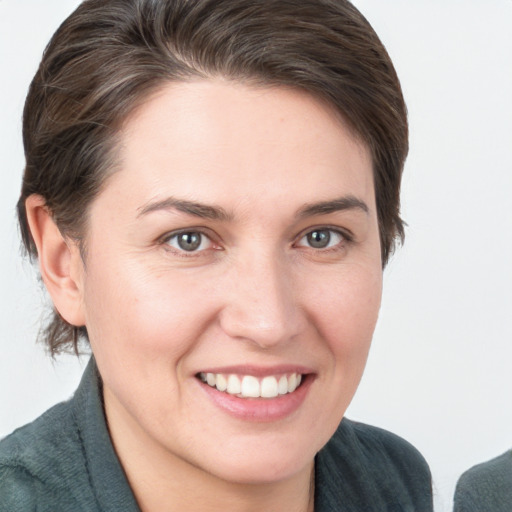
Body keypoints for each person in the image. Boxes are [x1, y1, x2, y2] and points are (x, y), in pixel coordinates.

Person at [0, 0, 433, 510]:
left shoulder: (391, 484)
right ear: (63, 262)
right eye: (188, 239)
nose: (269, 322)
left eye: (321, 237)